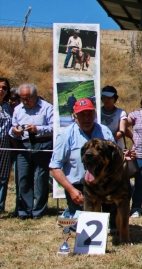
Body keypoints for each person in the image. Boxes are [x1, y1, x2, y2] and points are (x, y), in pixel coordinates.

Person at [49, 99, 116, 217]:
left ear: (95, 114)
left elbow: (114, 158)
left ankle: (113, 223)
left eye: (89, 113)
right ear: (75, 117)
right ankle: (69, 215)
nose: (86, 118)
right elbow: (54, 168)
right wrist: (71, 190)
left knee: (128, 187)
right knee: (80, 227)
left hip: (105, 184)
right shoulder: (65, 136)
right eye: (82, 114)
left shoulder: (105, 132)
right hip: (79, 187)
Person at [10, 83, 54, 219]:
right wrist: (14, 131)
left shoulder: (47, 108)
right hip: (23, 146)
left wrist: (38, 129)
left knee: (40, 178)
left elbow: (54, 127)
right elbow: (12, 128)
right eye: (22, 98)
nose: (25, 101)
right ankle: (24, 210)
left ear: (35, 95)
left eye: (28, 98)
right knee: (22, 178)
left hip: (42, 145)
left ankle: (38, 211)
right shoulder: (18, 109)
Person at [100, 86, 129, 150]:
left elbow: (122, 132)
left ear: (115, 98)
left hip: (116, 148)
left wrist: (107, 140)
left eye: (109, 97)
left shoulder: (121, 113)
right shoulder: (97, 113)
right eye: (104, 97)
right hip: (101, 148)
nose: (106, 100)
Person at [0, 78, 12, 214]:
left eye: (4, 88)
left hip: (5, 147)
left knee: (3, 178)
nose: (1, 90)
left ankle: (0, 206)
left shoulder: (8, 107)